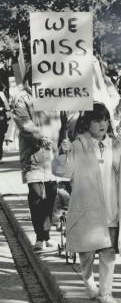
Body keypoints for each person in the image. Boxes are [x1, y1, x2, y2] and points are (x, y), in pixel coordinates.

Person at [55, 102, 121, 303]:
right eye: (97, 120)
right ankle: (88, 280)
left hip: (110, 208)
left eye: (105, 119)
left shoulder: (117, 145)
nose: (102, 124)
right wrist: (63, 153)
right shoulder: (77, 145)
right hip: (87, 208)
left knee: (109, 251)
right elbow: (63, 172)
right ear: (87, 123)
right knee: (87, 252)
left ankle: (106, 292)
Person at [11, 66, 61, 250]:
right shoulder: (21, 97)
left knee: (52, 194)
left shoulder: (56, 94)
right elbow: (24, 123)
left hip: (54, 152)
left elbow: (66, 116)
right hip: (33, 154)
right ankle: (41, 236)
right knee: (37, 194)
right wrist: (41, 137)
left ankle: (46, 234)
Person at [0, 88, 10, 161]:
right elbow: (7, 107)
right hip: (2, 118)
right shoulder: (2, 94)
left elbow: (7, 107)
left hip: (1, 118)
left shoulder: (1, 94)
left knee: (1, 137)